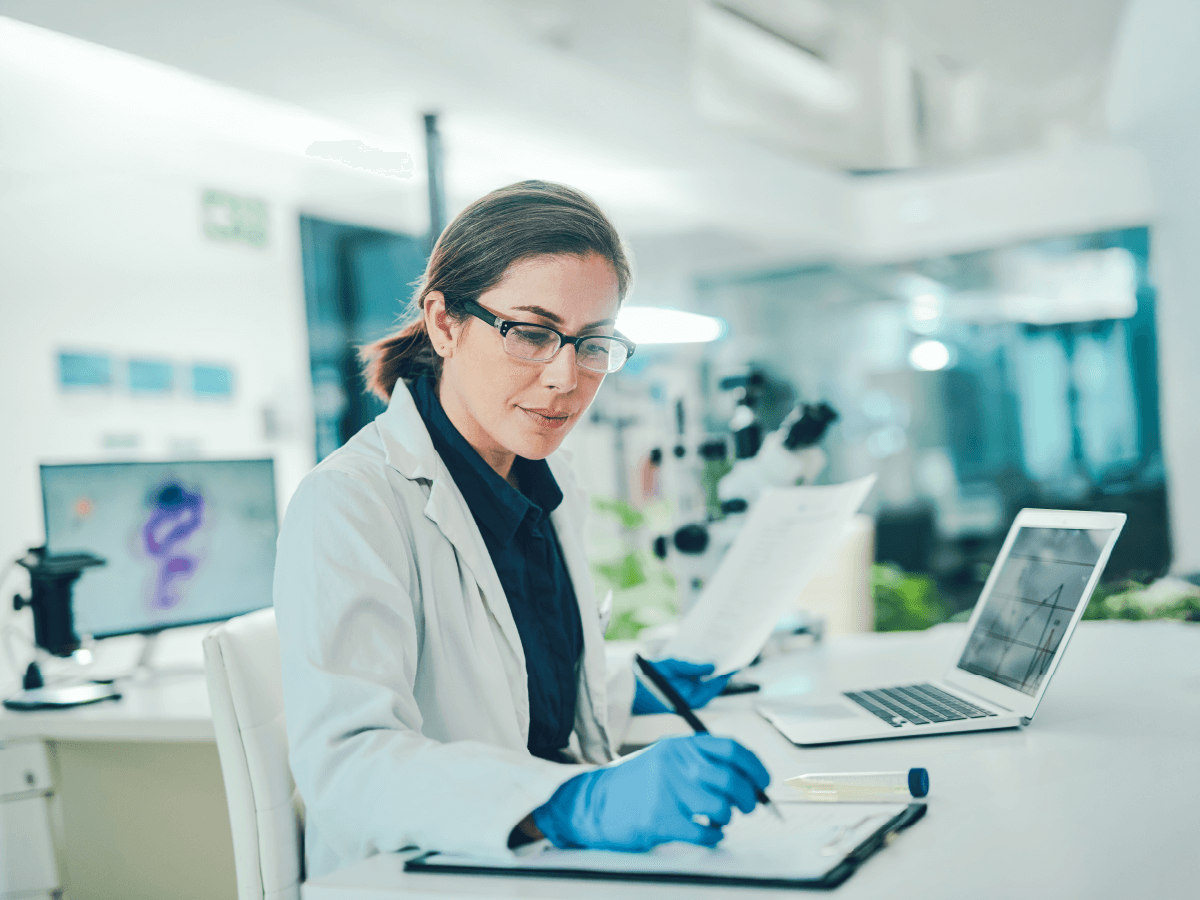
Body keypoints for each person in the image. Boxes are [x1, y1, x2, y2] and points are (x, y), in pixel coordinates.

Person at [274, 180, 771, 878]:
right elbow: (349, 768)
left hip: (550, 865)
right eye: (532, 334)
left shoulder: (549, 481)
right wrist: (575, 802)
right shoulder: (349, 503)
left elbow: (509, 683)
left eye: (592, 343)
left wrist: (638, 685)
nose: (565, 377)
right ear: (444, 323)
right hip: (429, 873)